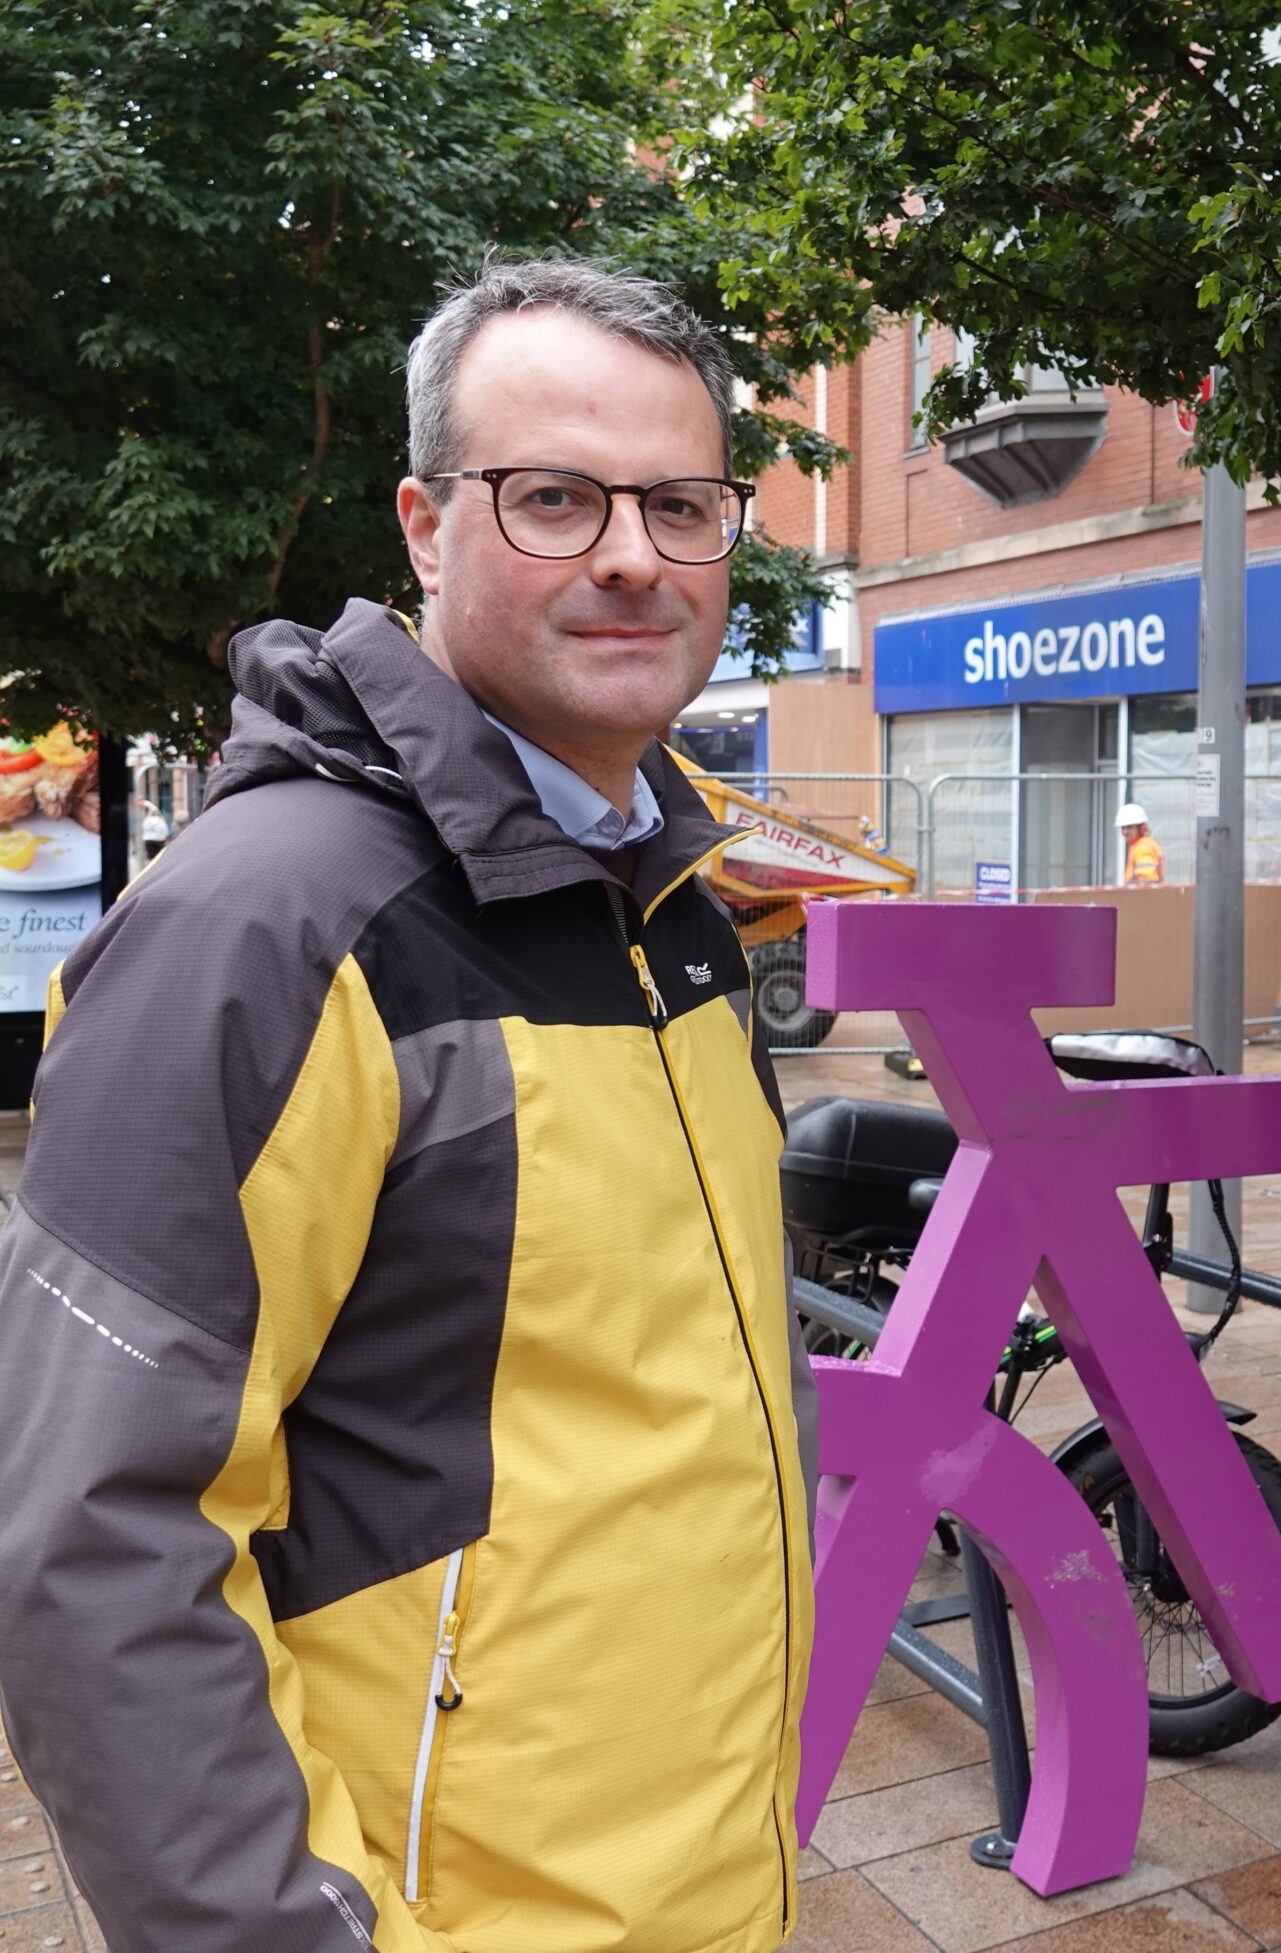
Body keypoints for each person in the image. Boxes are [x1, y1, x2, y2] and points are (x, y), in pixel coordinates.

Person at [0, 260, 818, 1953]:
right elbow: (93, 1542)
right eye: (552, 497)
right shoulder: (267, 930)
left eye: (679, 503)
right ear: (425, 527)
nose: (627, 555)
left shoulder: (681, 909)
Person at [1118, 800, 1165, 885]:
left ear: (1141, 828)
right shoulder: (1139, 845)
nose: (1125, 831)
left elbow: (1146, 881)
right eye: (1123, 827)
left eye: (1129, 827)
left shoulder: (1142, 847)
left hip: (1143, 896)